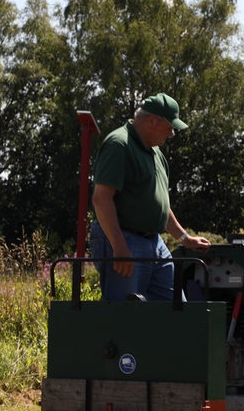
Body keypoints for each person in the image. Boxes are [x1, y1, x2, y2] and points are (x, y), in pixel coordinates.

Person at [90, 92, 211, 301]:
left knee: (176, 311)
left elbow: (160, 206)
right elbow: (101, 199)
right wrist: (119, 247)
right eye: (170, 127)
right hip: (125, 239)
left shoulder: (157, 155)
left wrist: (184, 238)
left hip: (154, 243)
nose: (172, 134)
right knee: (124, 314)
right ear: (152, 120)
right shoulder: (119, 145)